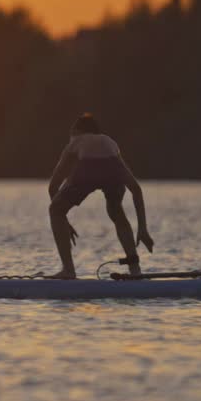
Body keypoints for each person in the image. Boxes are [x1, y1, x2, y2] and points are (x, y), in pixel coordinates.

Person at [46, 113, 153, 279]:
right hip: (113, 169)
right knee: (116, 211)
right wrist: (143, 228)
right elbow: (136, 189)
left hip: (87, 171)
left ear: (76, 131)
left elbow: (53, 186)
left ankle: (68, 270)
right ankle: (135, 268)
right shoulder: (110, 142)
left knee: (55, 210)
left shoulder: (76, 140)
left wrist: (63, 221)